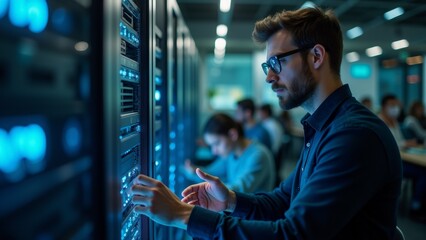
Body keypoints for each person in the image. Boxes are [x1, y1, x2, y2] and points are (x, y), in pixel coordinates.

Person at [130, 7, 402, 239]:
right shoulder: (324, 128)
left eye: (276, 62)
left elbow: (295, 234)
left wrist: (183, 215)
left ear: (316, 56)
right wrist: (230, 201)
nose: (270, 76)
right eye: (266, 67)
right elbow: (283, 201)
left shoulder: (353, 135)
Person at [183, 112, 275, 193]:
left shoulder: (258, 155)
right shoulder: (231, 153)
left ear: (232, 135)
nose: (214, 151)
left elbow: (236, 191)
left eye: (217, 143)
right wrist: (193, 171)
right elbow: (211, 172)